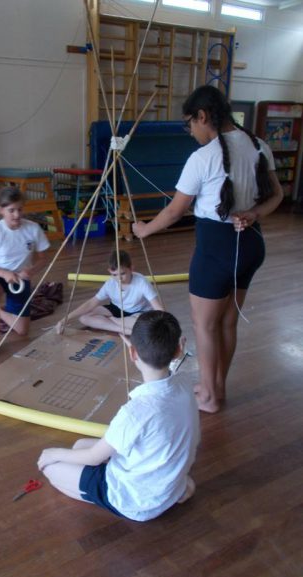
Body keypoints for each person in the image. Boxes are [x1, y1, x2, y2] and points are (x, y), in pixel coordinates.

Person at [132, 86, 283, 414]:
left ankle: (210, 397)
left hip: (217, 249)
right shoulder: (259, 145)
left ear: (202, 116)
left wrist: (143, 229)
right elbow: (277, 195)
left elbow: (174, 211)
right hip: (251, 245)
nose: (190, 131)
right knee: (226, 323)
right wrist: (254, 213)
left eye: (190, 123)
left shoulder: (202, 158)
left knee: (205, 325)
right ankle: (216, 388)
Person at [38, 310, 200, 522]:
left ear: (132, 354)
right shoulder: (184, 382)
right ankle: (176, 491)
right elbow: (169, 371)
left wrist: (52, 453)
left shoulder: (136, 412)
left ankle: (107, 496)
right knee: (79, 444)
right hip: (169, 482)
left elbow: (93, 457)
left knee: (51, 468)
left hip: (135, 502)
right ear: (179, 349)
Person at [0, 186, 50, 355]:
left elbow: (43, 259)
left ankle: (0, 311)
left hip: (20, 278)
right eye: (11, 210)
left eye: (20, 209)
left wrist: (31, 271)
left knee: (22, 330)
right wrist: (4, 274)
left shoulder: (33, 229)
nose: (17, 215)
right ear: (1, 210)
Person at [55, 249, 164, 335]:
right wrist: (64, 319)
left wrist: (166, 326)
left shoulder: (141, 282)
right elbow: (91, 303)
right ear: (109, 272)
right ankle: (125, 330)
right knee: (84, 318)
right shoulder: (110, 283)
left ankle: (111, 322)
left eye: (122, 273)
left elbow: (159, 309)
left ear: (131, 268)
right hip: (116, 309)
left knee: (147, 324)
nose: (119, 278)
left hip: (138, 313)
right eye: (114, 274)